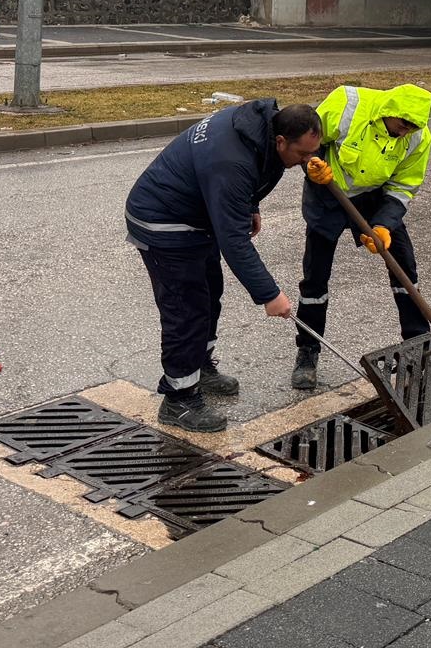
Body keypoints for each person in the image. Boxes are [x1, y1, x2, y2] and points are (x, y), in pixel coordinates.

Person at [125, 100, 323, 431]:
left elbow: (256, 171)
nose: (307, 161)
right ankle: (179, 400)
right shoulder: (231, 161)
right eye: (302, 154)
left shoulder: (261, 129)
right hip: (164, 222)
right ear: (281, 141)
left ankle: (200, 367)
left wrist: (250, 205)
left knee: (209, 294)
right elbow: (234, 242)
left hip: (199, 217)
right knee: (186, 310)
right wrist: (269, 294)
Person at [292, 84, 431, 391]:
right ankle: (308, 351)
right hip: (328, 194)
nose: (405, 132)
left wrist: (383, 224)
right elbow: (307, 141)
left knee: (404, 267)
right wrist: (311, 163)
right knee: (315, 278)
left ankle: (419, 346)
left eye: (412, 127)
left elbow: (403, 187)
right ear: (389, 112)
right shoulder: (347, 104)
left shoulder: (417, 137)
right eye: (402, 124)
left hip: (374, 199)